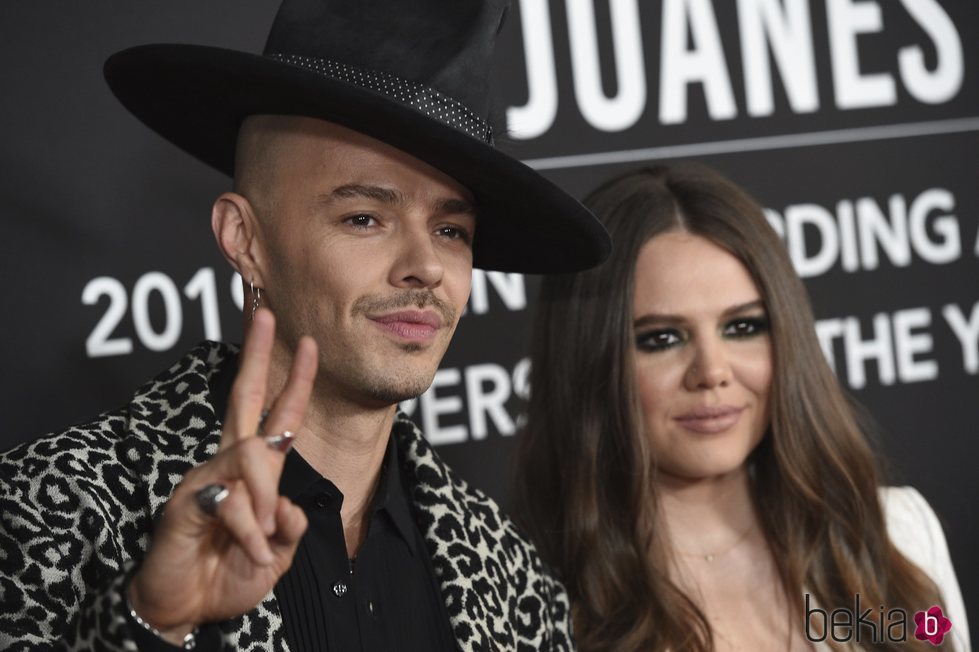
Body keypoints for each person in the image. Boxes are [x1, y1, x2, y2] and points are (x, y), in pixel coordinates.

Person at [0, 1, 610, 650]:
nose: (426, 266)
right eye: (364, 218)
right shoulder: (47, 511)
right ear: (245, 238)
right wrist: (152, 623)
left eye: (450, 230)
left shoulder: (514, 580)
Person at [514, 164, 970, 652]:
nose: (712, 371)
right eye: (661, 338)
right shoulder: (537, 605)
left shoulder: (897, 536)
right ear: (589, 359)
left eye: (743, 327)